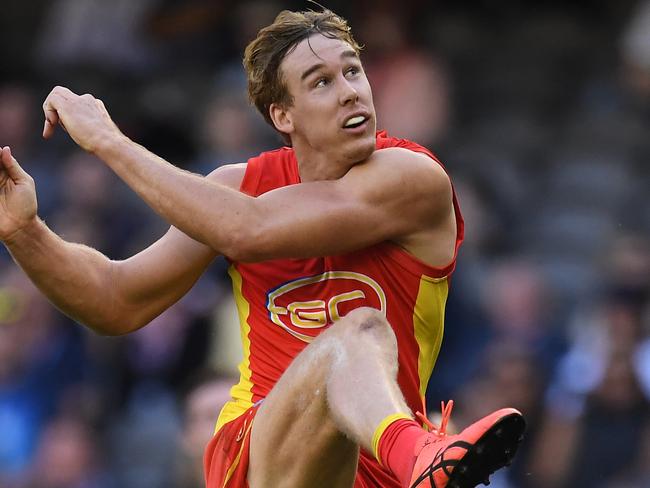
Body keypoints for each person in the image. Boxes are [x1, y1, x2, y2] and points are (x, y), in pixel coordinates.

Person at [0, 8, 525, 488]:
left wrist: (113, 144)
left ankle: (418, 459)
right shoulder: (237, 190)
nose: (350, 92)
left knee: (354, 338)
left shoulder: (414, 178)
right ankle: (419, 454)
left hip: (368, 474)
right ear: (283, 117)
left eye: (352, 71)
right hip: (260, 457)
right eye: (321, 82)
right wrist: (24, 232)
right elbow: (114, 300)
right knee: (358, 331)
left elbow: (246, 230)